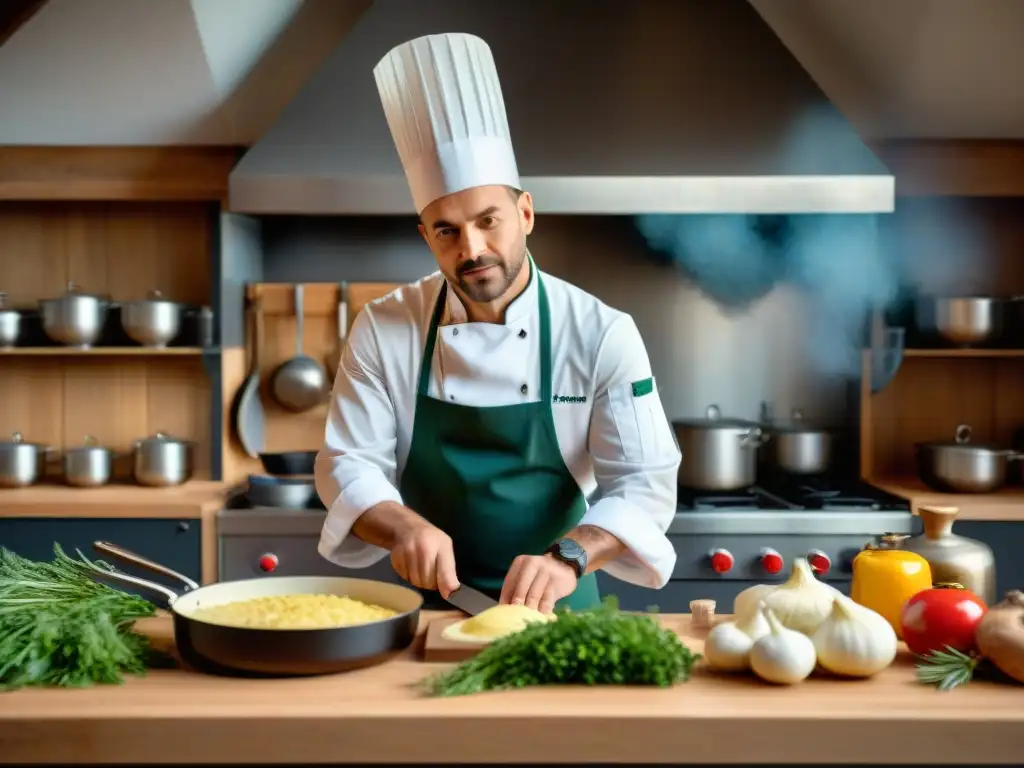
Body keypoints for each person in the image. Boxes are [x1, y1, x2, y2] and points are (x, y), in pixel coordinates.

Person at [315, 32, 681, 613]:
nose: (473, 248)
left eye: (489, 220)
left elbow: (644, 482)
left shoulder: (601, 333)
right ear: (425, 237)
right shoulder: (385, 328)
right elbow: (349, 464)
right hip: (422, 610)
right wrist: (402, 527)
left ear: (526, 213)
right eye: (447, 230)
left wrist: (572, 556)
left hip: (558, 613)